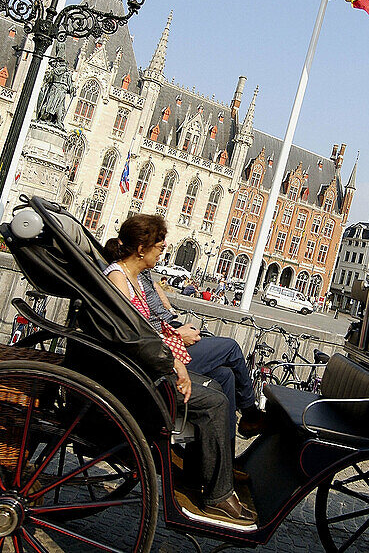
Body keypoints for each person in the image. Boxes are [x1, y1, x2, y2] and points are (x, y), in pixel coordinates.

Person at [103, 216, 255, 527]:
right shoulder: (118, 278)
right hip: (142, 375)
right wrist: (174, 360)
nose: (162, 252)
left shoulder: (133, 278)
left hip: (150, 364)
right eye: (158, 247)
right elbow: (131, 336)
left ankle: (207, 470)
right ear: (142, 248)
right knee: (216, 401)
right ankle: (218, 495)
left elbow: (147, 327)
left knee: (223, 378)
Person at [133, 265, 265, 437]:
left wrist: (171, 315)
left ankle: (226, 452)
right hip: (162, 352)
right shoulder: (124, 277)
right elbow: (136, 334)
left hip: (169, 336)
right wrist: (177, 335)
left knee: (226, 376)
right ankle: (249, 412)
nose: (163, 246)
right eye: (158, 243)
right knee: (231, 348)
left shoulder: (142, 274)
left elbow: (156, 307)